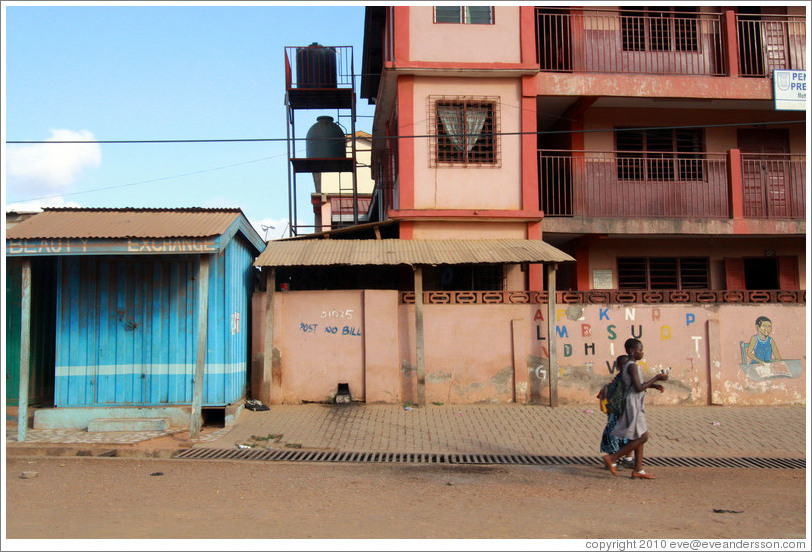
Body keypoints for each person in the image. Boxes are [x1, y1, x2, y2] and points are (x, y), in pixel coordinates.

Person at [601, 338, 668, 479]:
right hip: (633, 404)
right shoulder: (632, 366)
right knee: (643, 437)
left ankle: (638, 469)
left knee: (639, 435)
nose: (642, 353)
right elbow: (638, 388)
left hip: (633, 402)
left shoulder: (630, 366)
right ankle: (613, 458)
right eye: (639, 350)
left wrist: (653, 386)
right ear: (632, 351)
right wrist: (656, 378)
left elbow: (637, 383)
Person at [598, 354, 633, 468]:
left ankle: (628, 459)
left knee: (629, 436)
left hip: (626, 414)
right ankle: (613, 460)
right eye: (622, 365)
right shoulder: (617, 381)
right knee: (614, 436)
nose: (625, 367)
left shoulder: (628, 379)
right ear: (618, 366)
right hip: (616, 414)